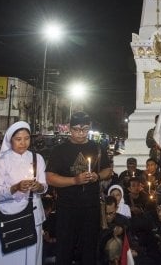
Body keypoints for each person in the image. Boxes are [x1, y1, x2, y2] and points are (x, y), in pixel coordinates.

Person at [45, 112, 112, 265]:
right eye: (76, 129)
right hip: (67, 207)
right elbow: (50, 178)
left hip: (91, 207)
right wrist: (75, 180)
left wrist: (98, 176)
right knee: (64, 249)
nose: (81, 133)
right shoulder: (60, 150)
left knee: (89, 249)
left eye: (85, 129)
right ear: (69, 128)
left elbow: (108, 170)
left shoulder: (97, 148)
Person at [0, 121, 48, 265]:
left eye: (27, 138)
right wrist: (15, 188)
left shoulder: (37, 158)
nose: (23, 143)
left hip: (32, 217)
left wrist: (38, 186)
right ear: (10, 140)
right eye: (18, 139)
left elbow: (44, 186)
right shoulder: (1, 162)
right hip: (7, 217)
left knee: (30, 257)